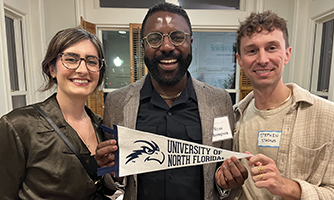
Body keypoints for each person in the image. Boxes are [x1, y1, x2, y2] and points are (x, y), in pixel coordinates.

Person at [94, 2, 246, 200]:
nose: (166, 47)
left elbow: (222, 171)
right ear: (143, 46)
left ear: (191, 42)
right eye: (155, 38)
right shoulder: (117, 102)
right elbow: (114, 181)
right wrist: (113, 173)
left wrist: (227, 181)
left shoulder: (220, 101)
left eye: (177, 37)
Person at [216, 10, 334, 199]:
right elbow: (226, 188)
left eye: (272, 48)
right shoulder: (233, 117)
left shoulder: (332, 118)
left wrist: (288, 187)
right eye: (252, 50)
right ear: (240, 61)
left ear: (287, 54)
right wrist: (224, 184)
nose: (262, 59)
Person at [0, 27, 117, 199]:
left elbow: (95, 186)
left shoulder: (101, 126)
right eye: (71, 59)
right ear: (52, 68)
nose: (83, 70)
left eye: (92, 62)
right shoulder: (18, 126)